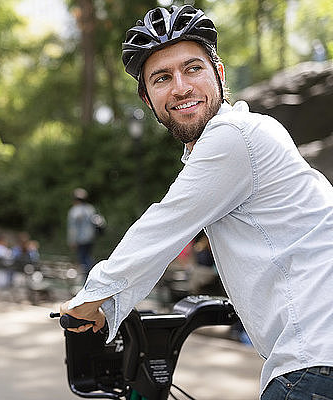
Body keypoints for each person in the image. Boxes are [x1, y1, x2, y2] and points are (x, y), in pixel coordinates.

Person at [59, 5, 333, 400]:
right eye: (162, 78)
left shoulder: (234, 136)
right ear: (147, 98)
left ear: (218, 75)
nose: (181, 87)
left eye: (193, 69)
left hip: (315, 366)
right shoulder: (254, 134)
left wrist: (91, 300)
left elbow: (164, 226)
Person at [67, 188, 98, 277]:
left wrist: (72, 241)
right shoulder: (90, 209)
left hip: (80, 239)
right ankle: (92, 275)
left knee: (83, 259)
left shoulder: (74, 211)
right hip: (91, 238)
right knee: (88, 257)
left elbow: (73, 228)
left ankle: (86, 278)